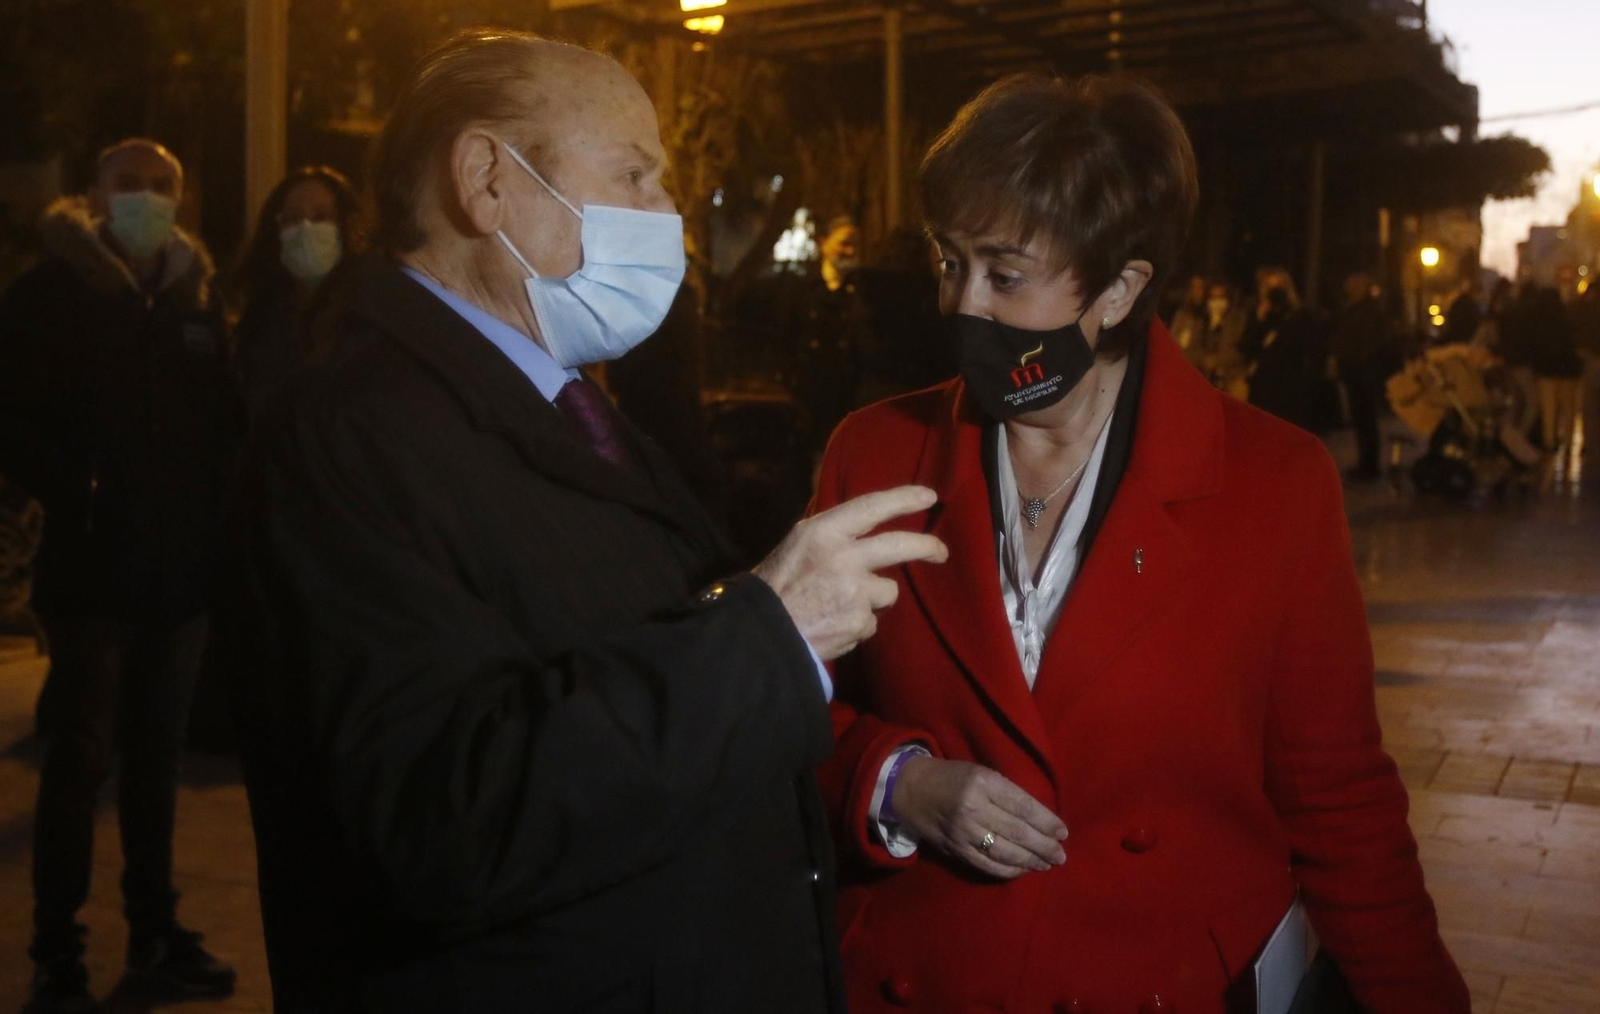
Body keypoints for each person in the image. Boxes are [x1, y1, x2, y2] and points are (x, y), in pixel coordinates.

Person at [217, 30, 944, 1014]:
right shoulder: (348, 440)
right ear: (486, 180)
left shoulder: (551, 399)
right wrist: (767, 638)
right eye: (633, 174)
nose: (667, 213)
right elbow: (440, 823)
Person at [810, 74, 1468, 1014]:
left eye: (1005, 274)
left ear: (1119, 290)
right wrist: (896, 783)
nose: (962, 304)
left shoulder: (1274, 484)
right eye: (949, 261)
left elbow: (1337, 797)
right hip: (920, 977)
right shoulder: (873, 452)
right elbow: (785, 714)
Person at [0, 137, 240, 1014]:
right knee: (81, 761)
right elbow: (10, 418)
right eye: (128, 183)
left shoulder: (195, 299)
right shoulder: (48, 295)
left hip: (179, 580)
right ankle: (57, 953)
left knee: (155, 762)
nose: (146, 197)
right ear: (94, 196)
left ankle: (154, 933)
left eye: (161, 185)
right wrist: (82, 491)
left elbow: (224, 424)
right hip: (93, 578)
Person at [233, 166, 364, 420]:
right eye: (292, 218)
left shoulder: (369, 318)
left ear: (347, 226)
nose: (305, 228)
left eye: (321, 216)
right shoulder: (262, 322)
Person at [1330, 272, 1391, 480]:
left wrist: (1356, 360)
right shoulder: (1356, 310)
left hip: (1363, 373)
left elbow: (1368, 342)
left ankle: (1369, 465)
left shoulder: (1368, 312)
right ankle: (1366, 463)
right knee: (1362, 420)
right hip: (1357, 371)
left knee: (1366, 420)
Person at [1240, 267, 1316, 432]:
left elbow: (1301, 349)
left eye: (1279, 288)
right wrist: (1260, 319)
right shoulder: (1259, 314)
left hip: (1288, 390)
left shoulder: (1298, 315)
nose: (1275, 293)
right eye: (1270, 288)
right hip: (1261, 388)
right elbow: (1246, 347)